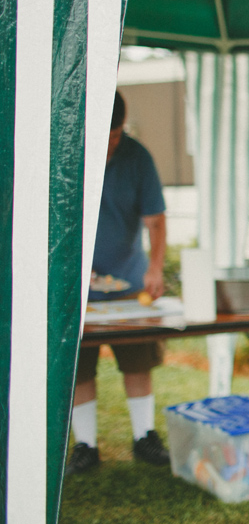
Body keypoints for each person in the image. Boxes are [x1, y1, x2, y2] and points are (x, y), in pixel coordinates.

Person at [66, 90, 171, 475]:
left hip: (129, 283)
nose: (111, 143)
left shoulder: (137, 157)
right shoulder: (68, 152)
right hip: (76, 291)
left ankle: (145, 437)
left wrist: (155, 268)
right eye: (104, 135)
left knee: (138, 362)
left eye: (116, 134)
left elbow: (155, 220)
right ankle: (85, 445)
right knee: (80, 368)